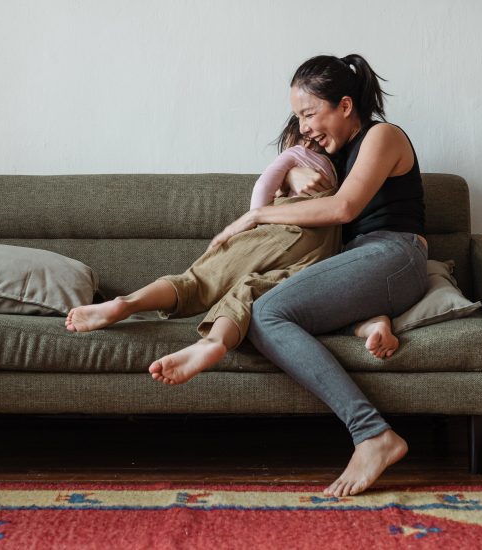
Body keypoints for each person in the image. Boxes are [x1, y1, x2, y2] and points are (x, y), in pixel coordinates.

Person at [208, 54, 429, 498]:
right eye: (298, 116)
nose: (304, 125)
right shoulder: (334, 152)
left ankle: (373, 435)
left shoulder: (382, 136)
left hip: (393, 253)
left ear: (345, 105)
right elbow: (301, 176)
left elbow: (344, 208)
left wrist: (255, 218)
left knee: (267, 313)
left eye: (310, 113)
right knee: (268, 304)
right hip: (355, 261)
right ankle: (369, 319)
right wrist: (292, 171)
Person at [64, 119, 402, 385]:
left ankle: (128, 303)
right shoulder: (343, 170)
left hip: (283, 233)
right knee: (251, 291)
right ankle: (214, 343)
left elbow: (263, 186)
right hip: (320, 253)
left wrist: (257, 218)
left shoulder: (294, 156)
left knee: (197, 281)